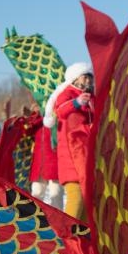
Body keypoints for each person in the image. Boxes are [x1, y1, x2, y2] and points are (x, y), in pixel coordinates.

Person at [43, 62, 94, 221]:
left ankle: (83, 239)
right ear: (74, 78)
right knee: (76, 197)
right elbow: (61, 111)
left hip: (86, 156)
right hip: (71, 155)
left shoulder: (92, 97)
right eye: (85, 77)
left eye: (90, 78)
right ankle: (66, 235)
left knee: (88, 202)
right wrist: (77, 102)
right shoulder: (67, 94)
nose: (88, 81)